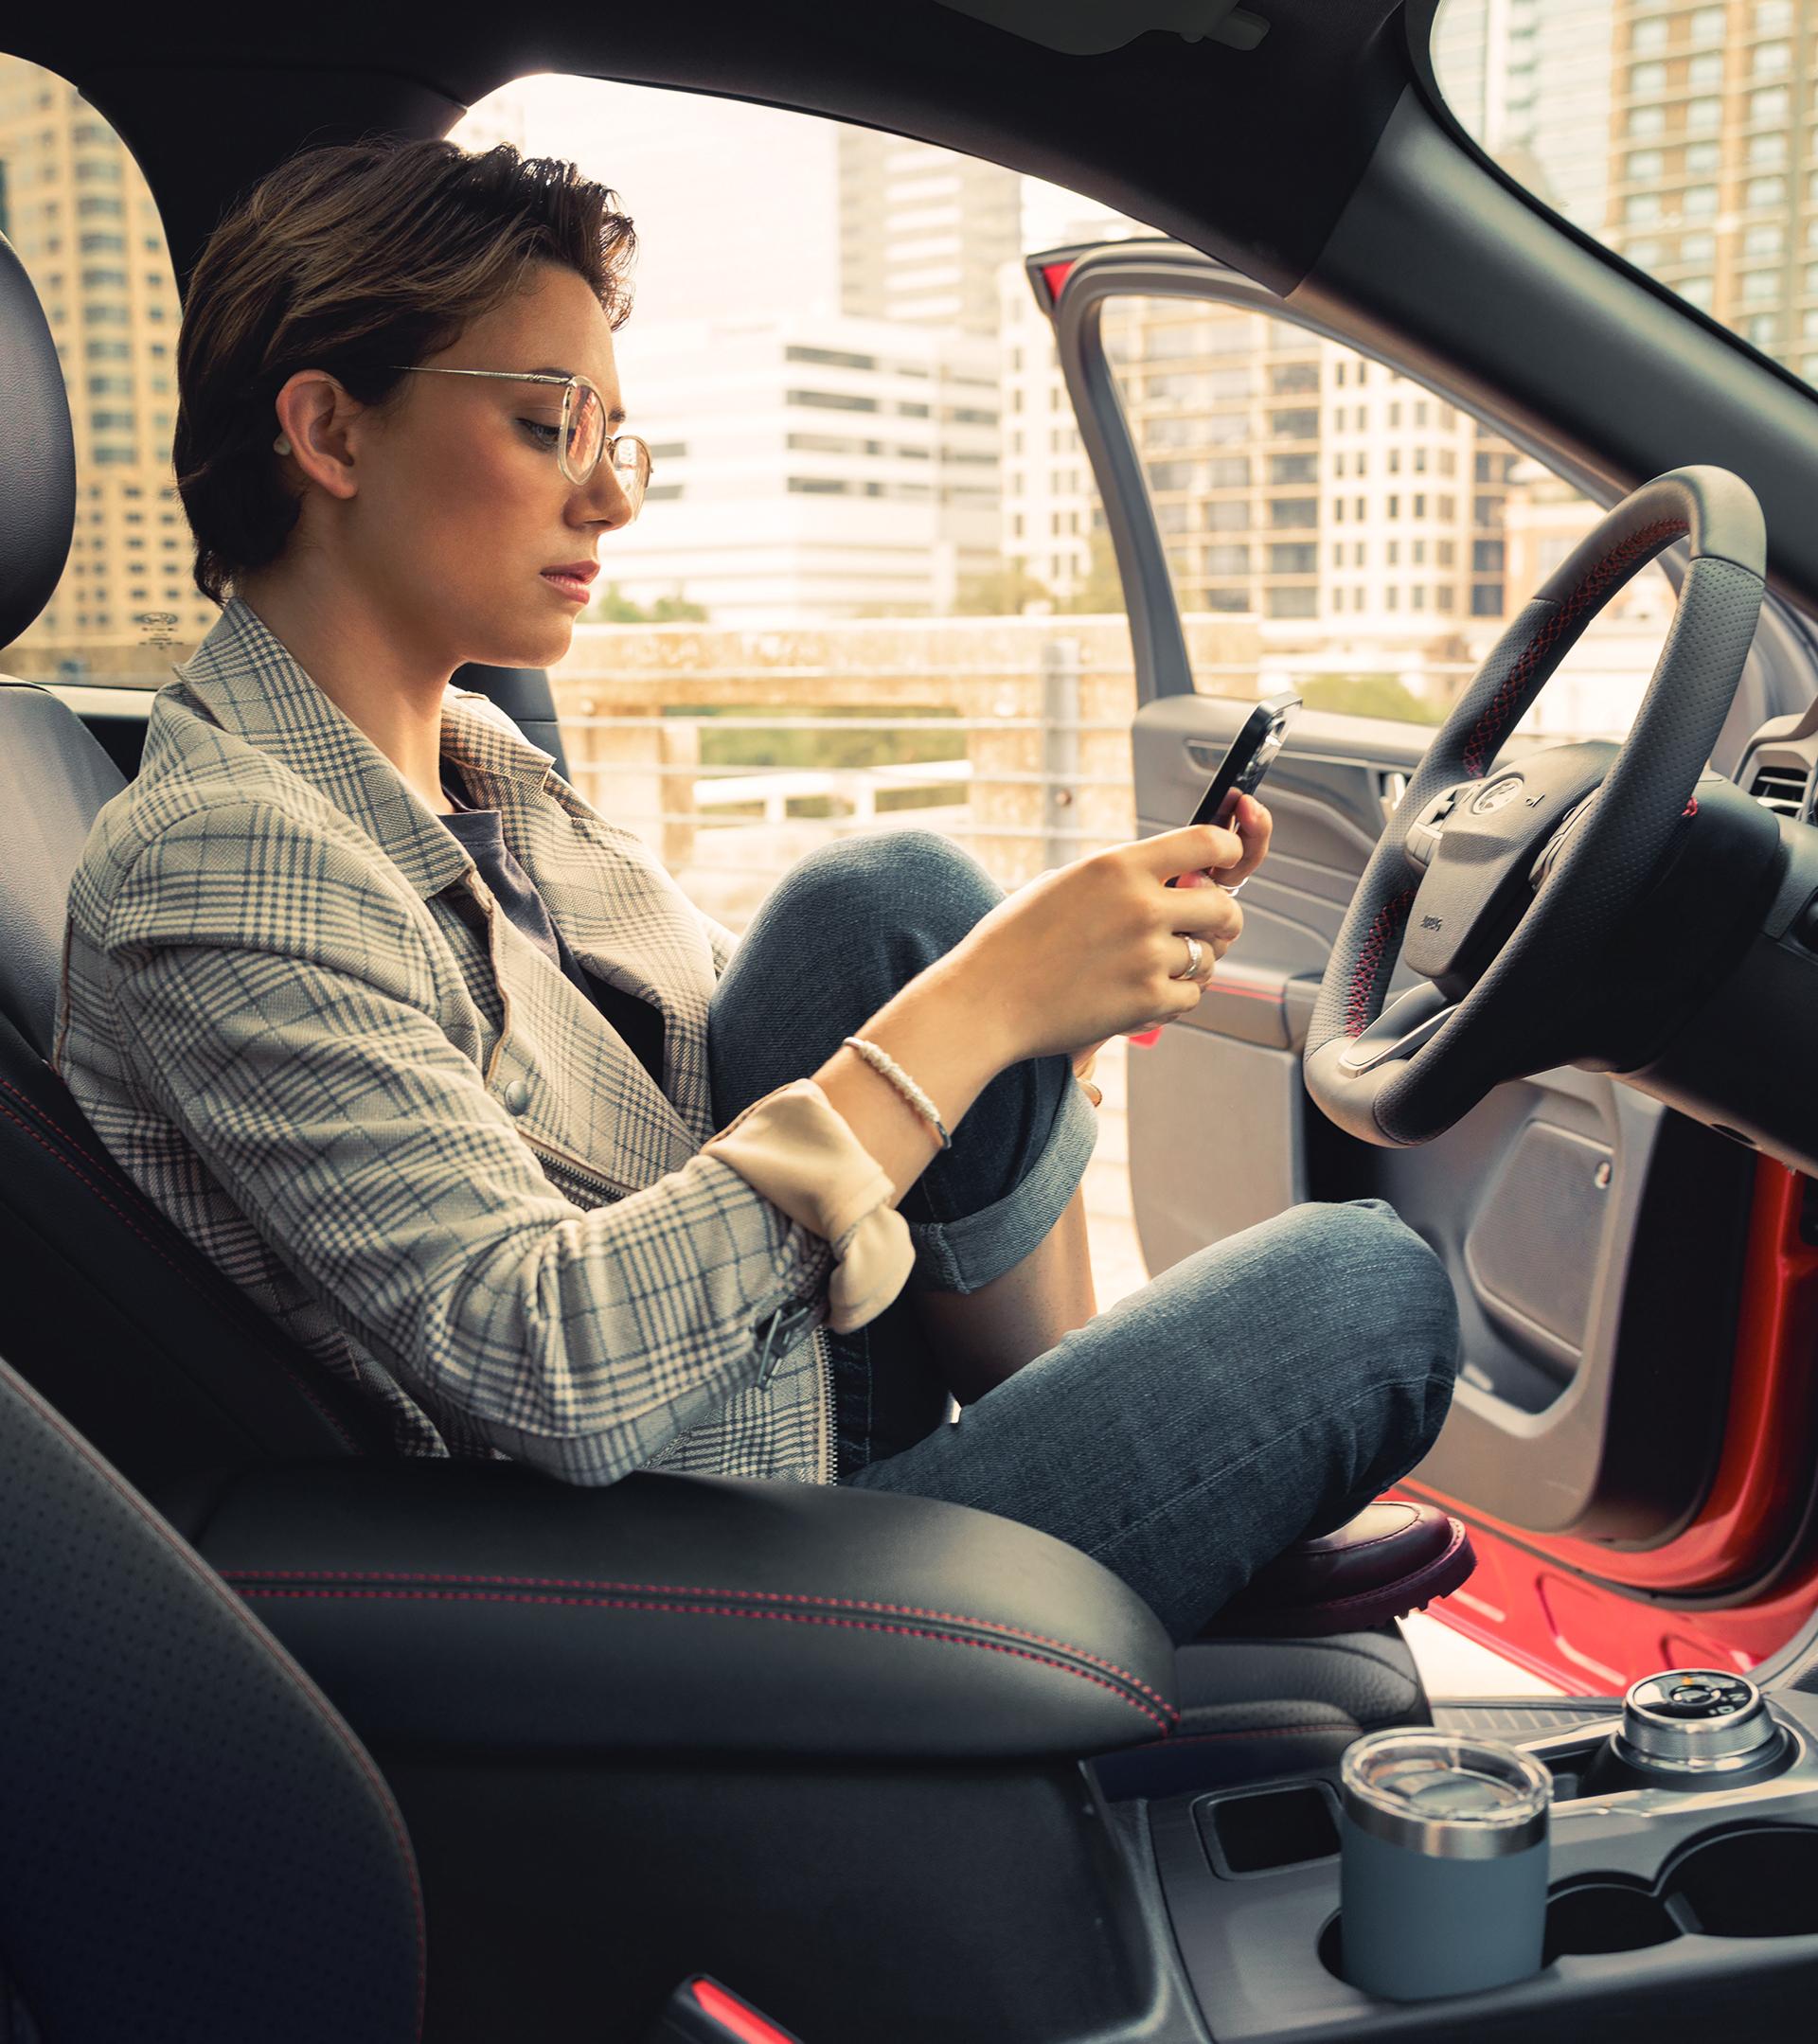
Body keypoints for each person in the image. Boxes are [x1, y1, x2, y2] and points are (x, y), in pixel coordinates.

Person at [55, 135, 1466, 1646]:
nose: (611, 500)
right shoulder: (219, 861)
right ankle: (1094, 1547)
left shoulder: (476, 768)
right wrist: (986, 1010)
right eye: (548, 427)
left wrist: (1035, 977)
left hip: (751, 1399)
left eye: (618, 439)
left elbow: (790, 1027)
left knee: (896, 896)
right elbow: (548, 1365)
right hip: (654, 1563)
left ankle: (1093, 1493)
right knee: (1362, 1292)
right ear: (330, 434)